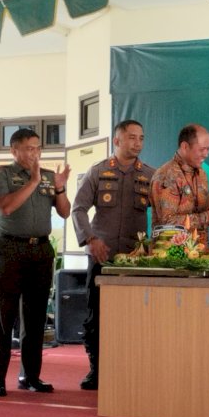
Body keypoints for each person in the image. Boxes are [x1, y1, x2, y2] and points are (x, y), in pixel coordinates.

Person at [0, 128, 71, 396]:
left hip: (40, 250)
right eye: (28, 149)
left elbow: (65, 211)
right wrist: (33, 182)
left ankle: (30, 376)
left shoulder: (47, 175)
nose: (34, 153)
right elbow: (6, 207)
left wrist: (59, 187)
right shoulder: (0, 174)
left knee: (35, 318)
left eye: (37, 148)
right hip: (10, 247)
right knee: (4, 316)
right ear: (14, 151)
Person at [72, 119, 154, 390]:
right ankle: (96, 368)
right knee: (97, 316)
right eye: (132, 137)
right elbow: (78, 209)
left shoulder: (150, 176)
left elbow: (167, 211)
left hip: (137, 260)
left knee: (136, 316)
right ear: (117, 141)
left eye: (141, 138)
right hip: (102, 257)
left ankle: (134, 366)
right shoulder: (97, 172)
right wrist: (90, 239)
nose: (138, 143)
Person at [150, 124, 209, 246]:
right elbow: (167, 223)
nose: (206, 154)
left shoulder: (202, 174)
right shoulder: (166, 175)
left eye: (208, 149)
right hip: (170, 258)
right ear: (185, 146)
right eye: (202, 149)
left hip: (199, 257)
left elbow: (208, 213)